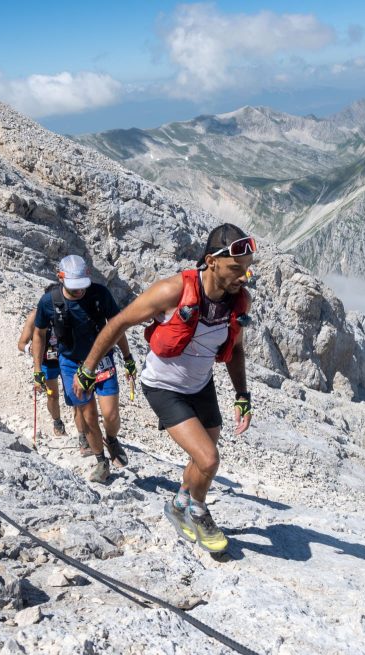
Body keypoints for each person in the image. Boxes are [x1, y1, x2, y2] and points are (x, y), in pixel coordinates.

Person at [74, 224, 255, 553]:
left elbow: (236, 349)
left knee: (202, 458)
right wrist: (87, 369)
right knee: (209, 459)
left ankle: (178, 504)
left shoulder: (238, 301)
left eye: (246, 268)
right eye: (236, 268)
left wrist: (242, 396)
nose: (245, 276)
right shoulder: (173, 291)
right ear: (211, 261)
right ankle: (198, 512)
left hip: (201, 384)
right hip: (164, 386)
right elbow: (118, 323)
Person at [34, 255, 137, 482]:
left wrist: (128, 357)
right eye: (74, 288)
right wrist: (37, 369)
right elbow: (39, 334)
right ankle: (101, 461)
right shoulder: (48, 302)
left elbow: (117, 326)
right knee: (88, 414)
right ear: (61, 278)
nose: (79, 292)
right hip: (71, 363)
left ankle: (111, 438)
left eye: (82, 287)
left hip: (102, 360)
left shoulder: (100, 294)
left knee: (110, 413)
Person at [17, 306, 73, 438]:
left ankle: (84, 432)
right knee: (53, 395)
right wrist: (29, 348)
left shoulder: (67, 311)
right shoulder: (35, 316)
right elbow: (21, 343)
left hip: (67, 359)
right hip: (47, 362)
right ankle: (57, 423)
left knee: (74, 394)